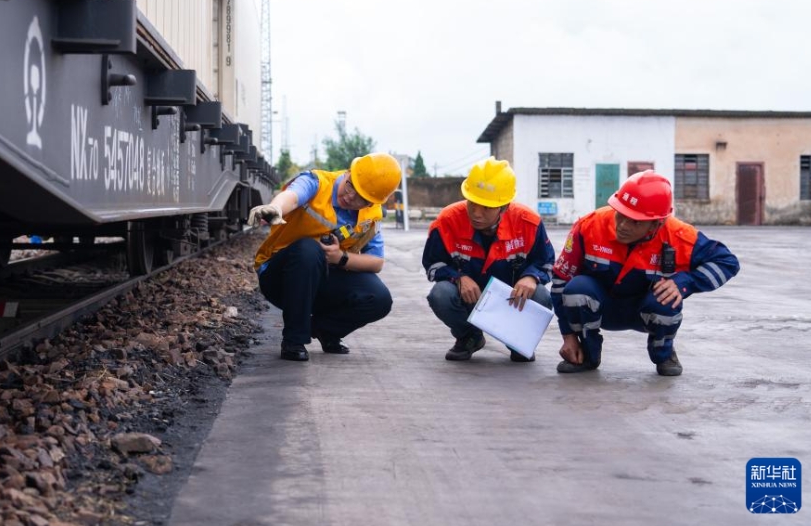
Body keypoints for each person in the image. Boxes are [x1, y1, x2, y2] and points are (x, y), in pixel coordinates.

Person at [551, 170, 740, 376]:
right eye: (620, 215)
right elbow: (561, 280)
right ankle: (587, 355)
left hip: (646, 311)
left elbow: (727, 262)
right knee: (576, 289)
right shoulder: (589, 226)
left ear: (657, 223)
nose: (622, 226)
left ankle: (663, 354)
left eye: (635, 221)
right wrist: (568, 335)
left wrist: (684, 282)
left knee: (668, 299)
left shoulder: (679, 236)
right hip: (600, 308)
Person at [248, 153, 403, 362]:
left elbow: (376, 262)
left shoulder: (371, 215)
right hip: (280, 277)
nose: (350, 197)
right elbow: (292, 196)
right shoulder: (316, 182)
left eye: (361, 199)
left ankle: (325, 330)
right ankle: (294, 340)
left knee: (379, 298)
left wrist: (340, 257)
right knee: (308, 249)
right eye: (350, 186)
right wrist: (275, 208)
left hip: (320, 279)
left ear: (371, 203)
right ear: (348, 172)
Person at [422, 157, 556, 362]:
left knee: (541, 296)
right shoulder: (447, 222)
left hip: (512, 300)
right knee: (440, 294)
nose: (476, 213)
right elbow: (432, 264)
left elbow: (546, 263)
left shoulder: (528, 223)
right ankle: (470, 337)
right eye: (472, 203)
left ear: (504, 207)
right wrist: (457, 278)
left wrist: (531, 277)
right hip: (469, 297)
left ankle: (517, 341)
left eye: (486, 207)